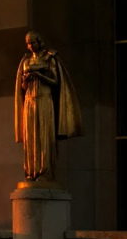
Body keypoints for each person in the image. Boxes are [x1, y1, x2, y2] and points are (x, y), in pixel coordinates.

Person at [14, 31, 83, 182]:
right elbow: (23, 87)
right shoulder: (26, 61)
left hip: (45, 99)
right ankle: (31, 172)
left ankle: (45, 172)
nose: (30, 46)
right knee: (31, 137)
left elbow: (56, 82)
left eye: (32, 42)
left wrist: (40, 76)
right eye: (28, 43)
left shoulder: (49, 58)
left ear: (39, 42)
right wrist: (25, 80)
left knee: (44, 136)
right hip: (30, 101)